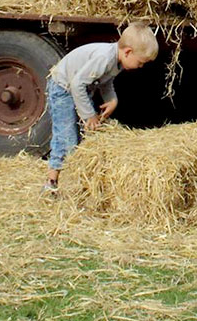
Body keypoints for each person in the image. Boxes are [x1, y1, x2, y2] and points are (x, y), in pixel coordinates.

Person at [44, 23, 160, 194]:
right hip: (63, 88)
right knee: (67, 137)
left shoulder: (117, 60)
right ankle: (51, 183)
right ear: (128, 52)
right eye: (140, 62)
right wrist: (89, 115)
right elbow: (77, 84)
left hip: (77, 88)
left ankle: (82, 185)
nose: (141, 67)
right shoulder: (105, 58)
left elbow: (105, 82)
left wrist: (112, 100)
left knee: (87, 134)